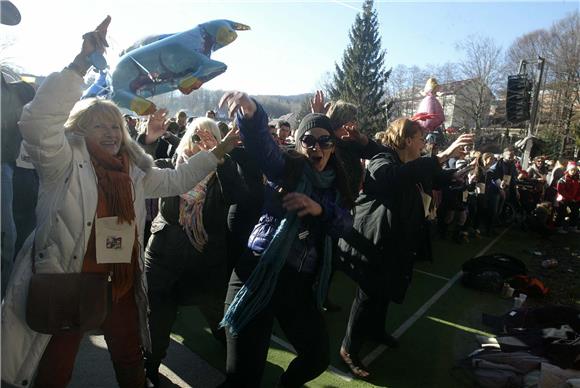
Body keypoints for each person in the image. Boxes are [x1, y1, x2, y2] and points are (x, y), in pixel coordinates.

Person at [0, 18, 234, 388]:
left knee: (129, 361)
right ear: (79, 130)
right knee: (55, 367)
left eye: (114, 127)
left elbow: (174, 180)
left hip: (119, 283)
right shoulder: (62, 162)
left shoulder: (134, 170)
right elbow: (38, 122)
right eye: (99, 126)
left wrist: (216, 153)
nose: (110, 134)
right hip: (69, 282)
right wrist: (81, 63)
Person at [218, 91, 354, 388]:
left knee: (317, 357)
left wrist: (320, 210)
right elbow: (262, 146)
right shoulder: (286, 167)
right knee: (243, 378)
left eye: (324, 141)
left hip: (298, 284)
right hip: (258, 272)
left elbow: (345, 224)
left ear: (332, 147)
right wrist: (252, 113)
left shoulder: (337, 185)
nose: (316, 147)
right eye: (309, 140)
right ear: (298, 142)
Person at [338, 118, 472, 377]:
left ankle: (375, 331)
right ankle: (348, 349)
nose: (424, 145)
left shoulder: (409, 163)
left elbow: (428, 178)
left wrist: (453, 174)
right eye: (421, 140)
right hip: (374, 240)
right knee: (367, 296)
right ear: (408, 140)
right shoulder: (383, 157)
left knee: (385, 288)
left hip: (395, 241)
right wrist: (442, 156)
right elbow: (391, 178)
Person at [143, 118, 243, 387]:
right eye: (198, 137)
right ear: (187, 138)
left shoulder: (223, 173)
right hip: (164, 257)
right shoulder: (171, 167)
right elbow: (140, 171)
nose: (204, 143)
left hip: (205, 262)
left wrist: (220, 158)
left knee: (218, 316)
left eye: (211, 138)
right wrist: (149, 142)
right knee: (158, 323)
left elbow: (236, 195)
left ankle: (232, 354)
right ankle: (149, 369)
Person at [555, 161, 580, 234]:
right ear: (568, 170)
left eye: (575, 170)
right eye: (572, 170)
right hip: (564, 199)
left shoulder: (577, 180)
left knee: (575, 212)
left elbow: (578, 190)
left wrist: (577, 198)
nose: (573, 171)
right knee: (561, 212)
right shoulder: (563, 179)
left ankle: (572, 227)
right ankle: (559, 227)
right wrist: (570, 198)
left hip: (574, 199)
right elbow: (561, 191)